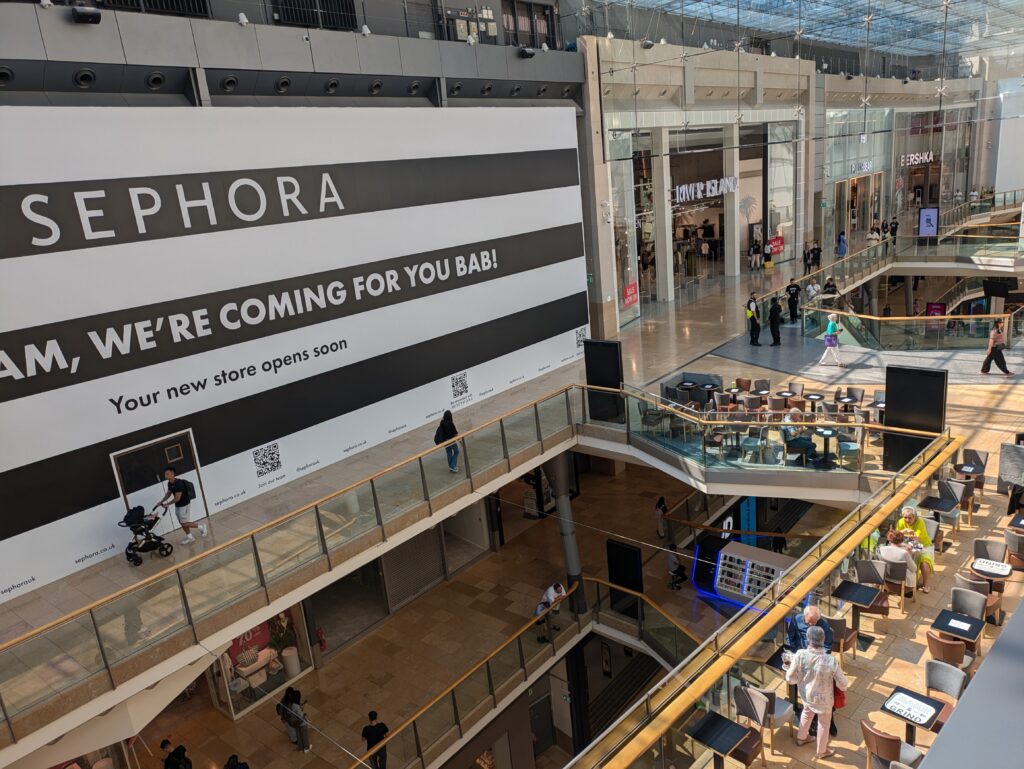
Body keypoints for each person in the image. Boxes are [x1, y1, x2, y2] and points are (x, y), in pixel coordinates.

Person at [786, 625, 847, 759]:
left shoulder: (800, 654)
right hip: (824, 700)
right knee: (824, 723)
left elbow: (789, 677)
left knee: (806, 713)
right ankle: (821, 751)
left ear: (809, 640)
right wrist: (838, 687)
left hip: (806, 695)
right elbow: (843, 683)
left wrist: (799, 680)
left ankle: (801, 738)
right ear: (823, 640)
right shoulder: (830, 660)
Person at [158, 466, 205, 545]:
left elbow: (177, 498)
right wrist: (161, 501)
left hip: (184, 504)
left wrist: (167, 504)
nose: (165, 476)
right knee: (182, 522)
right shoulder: (170, 483)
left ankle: (201, 527)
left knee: (184, 523)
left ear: (172, 474)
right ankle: (190, 537)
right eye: (165, 474)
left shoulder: (179, 484)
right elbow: (169, 493)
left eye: (167, 474)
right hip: (178, 505)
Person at [894, 507, 935, 593]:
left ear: (915, 517)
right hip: (907, 544)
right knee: (901, 558)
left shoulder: (920, 522)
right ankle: (905, 580)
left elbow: (917, 539)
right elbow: (895, 536)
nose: (907, 520)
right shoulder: (901, 522)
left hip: (924, 546)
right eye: (905, 517)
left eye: (910, 517)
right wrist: (904, 530)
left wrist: (903, 535)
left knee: (924, 564)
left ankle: (925, 584)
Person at [286, 688, 312, 752]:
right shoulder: (296, 706)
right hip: (301, 723)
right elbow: (301, 716)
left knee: (299, 735)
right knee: (304, 735)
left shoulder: (290, 705)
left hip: (295, 723)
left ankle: (300, 748)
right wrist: (303, 713)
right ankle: (306, 748)